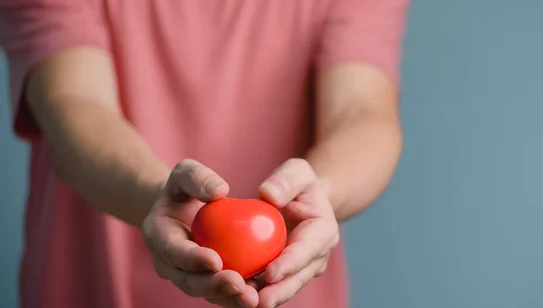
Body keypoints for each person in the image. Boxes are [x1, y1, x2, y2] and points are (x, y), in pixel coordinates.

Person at [0, 0, 407, 307]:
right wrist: (154, 196)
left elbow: (363, 112)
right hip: (87, 288)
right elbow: (74, 102)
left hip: (288, 290)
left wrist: (323, 191)